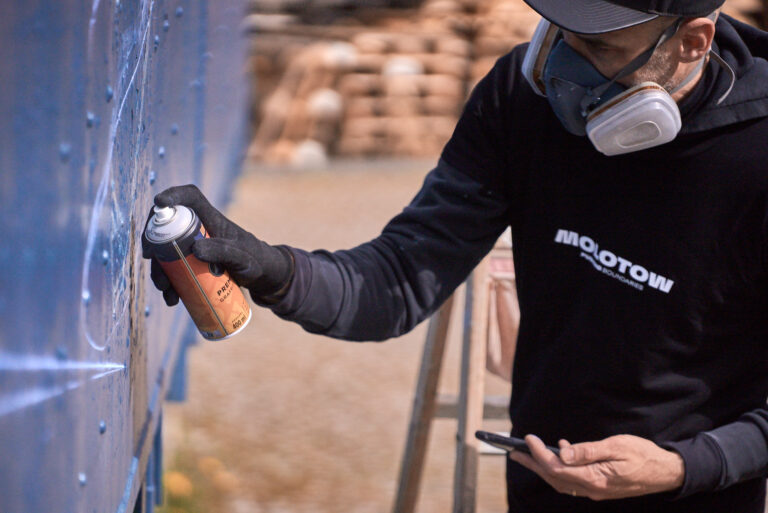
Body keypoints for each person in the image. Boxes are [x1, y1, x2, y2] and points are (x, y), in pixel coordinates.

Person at [143, 0, 768, 511]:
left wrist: (683, 466)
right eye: (559, 33)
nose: (563, 69)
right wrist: (271, 268)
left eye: (599, 48)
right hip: (542, 485)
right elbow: (395, 279)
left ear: (693, 42)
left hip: (696, 495)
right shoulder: (520, 99)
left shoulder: (754, 156)